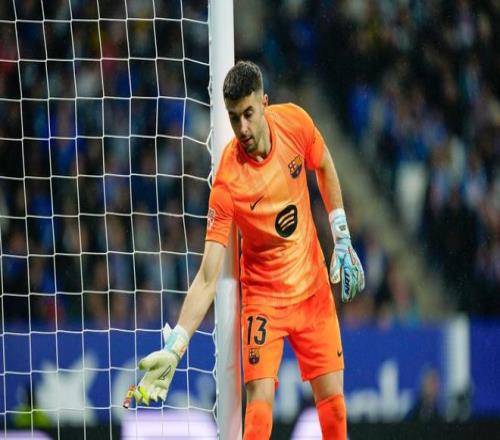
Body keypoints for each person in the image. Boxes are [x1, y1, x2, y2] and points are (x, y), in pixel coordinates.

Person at [128, 61, 365, 439]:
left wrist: (341, 235)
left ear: (264, 103)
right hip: (264, 301)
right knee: (258, 410)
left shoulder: (295, 123)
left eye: (249, 114)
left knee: (334, 406)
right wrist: (175, 346)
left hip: (313, 290)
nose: (242, 128)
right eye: (234, 117)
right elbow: (208, 276)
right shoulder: (228, 181)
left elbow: (323, 164)